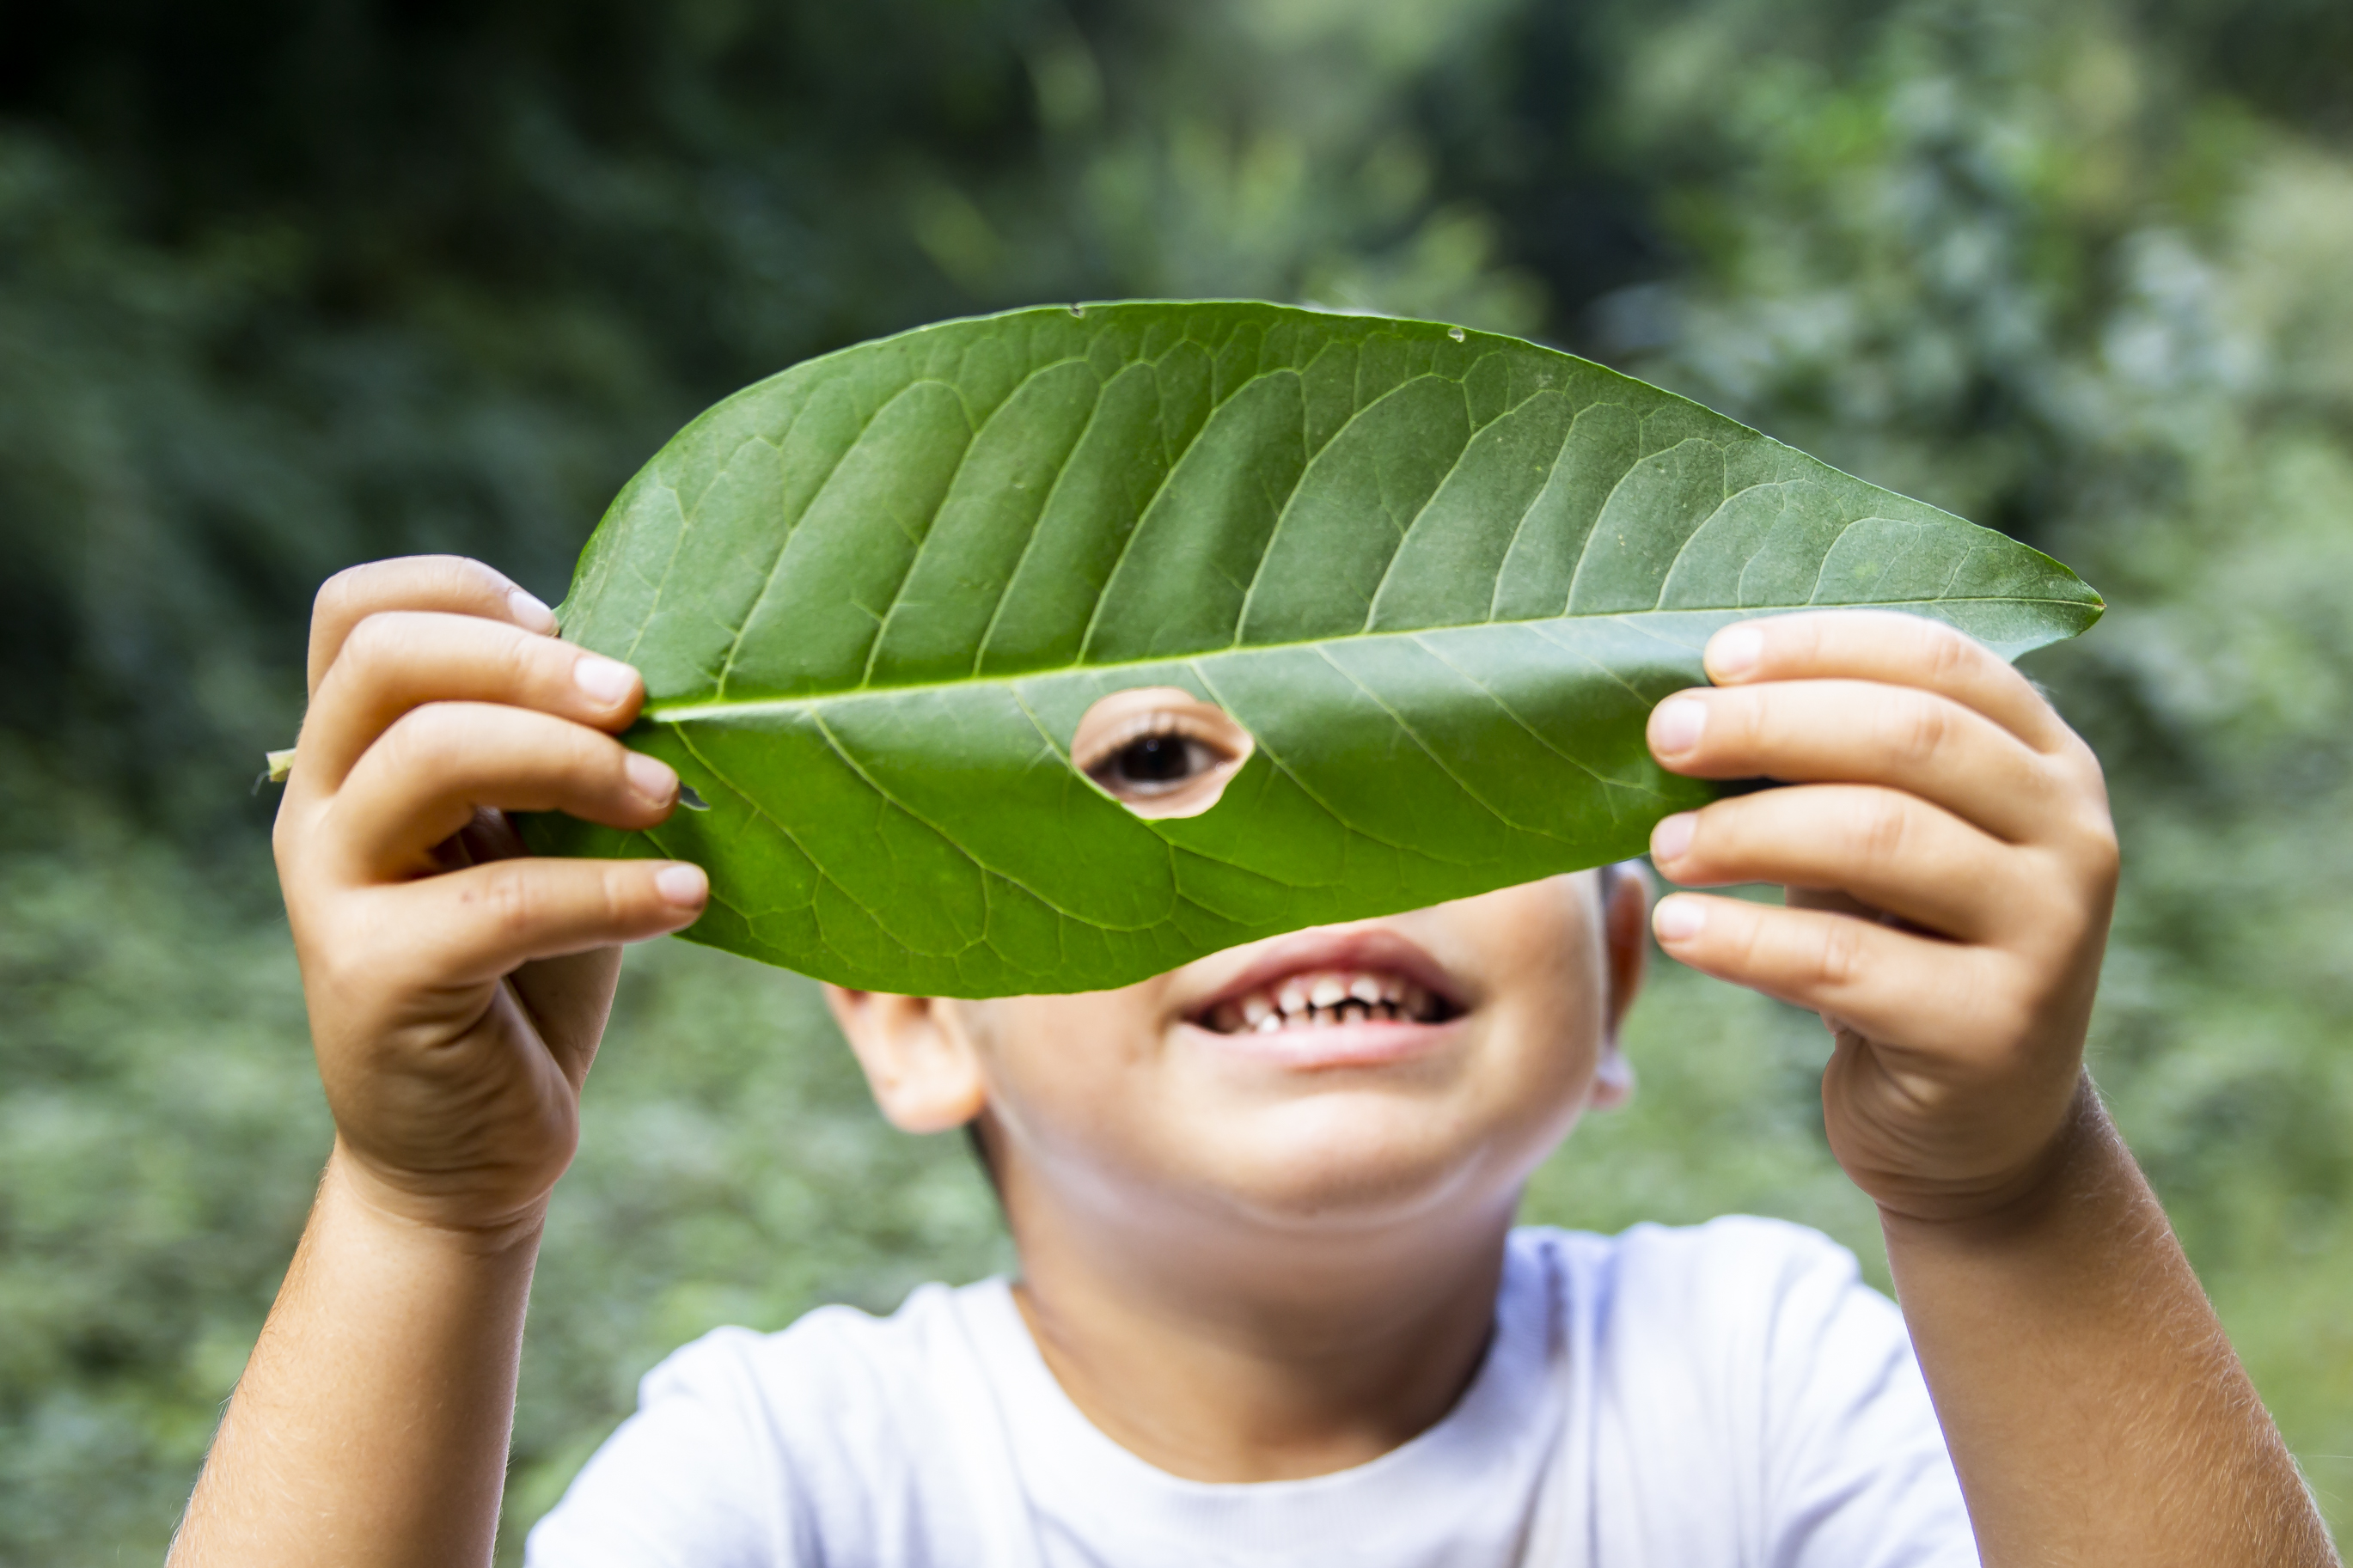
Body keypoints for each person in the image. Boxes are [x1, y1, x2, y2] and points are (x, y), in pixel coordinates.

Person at [168, 555, 2333, 1567]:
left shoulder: (1758, 1382)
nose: (1292, 862)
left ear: (1622, 974)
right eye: (1144, 775)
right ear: (911, 1010)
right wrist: (426, 1208)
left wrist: (2006, 1185)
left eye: (1429, 790)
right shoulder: (800, 1476)